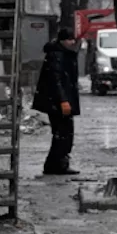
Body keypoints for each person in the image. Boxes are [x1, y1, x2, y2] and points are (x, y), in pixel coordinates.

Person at [33, 23, 82, 175]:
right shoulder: (58, 56)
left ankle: (54, 164)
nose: (72, 42)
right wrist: (63, 100)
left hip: (56, 101)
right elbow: (56, 80)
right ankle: (58, 164)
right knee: (64, 133)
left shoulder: (57, 54)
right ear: (62, 41)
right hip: (58, 102)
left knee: (61, 133)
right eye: (69, 40)